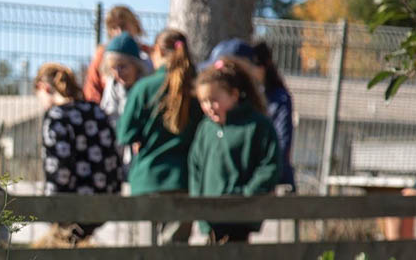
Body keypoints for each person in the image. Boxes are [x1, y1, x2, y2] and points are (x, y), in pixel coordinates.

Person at [116, 29, 202, 244]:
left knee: (144, 257)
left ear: (158, 52)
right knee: (175, 255)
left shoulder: (144, 88)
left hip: (148, 179)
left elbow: (125, 133)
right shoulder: (198, 90)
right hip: (184, 180)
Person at [189, 57, 280, 243]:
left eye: (214, 100)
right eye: (203, 102)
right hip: (210, 217)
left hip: (241, 217)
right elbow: (195, 168)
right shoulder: (206, 129)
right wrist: (199, 206)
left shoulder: (257, 125)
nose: (208, 107)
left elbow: (269, 166)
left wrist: (246, 196)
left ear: (234, 95)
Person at [35, 62, 121, 243]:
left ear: (43, 87)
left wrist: (50, 207)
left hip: (69, 207)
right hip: (101, 203)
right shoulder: (96, 111)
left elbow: (59, 167)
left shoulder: (56, 116)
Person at [251, 41, 295, 190]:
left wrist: (270, 171)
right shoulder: (244, 97)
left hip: (276, 173)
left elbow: (283, 139)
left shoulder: (279, 97)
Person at [84, 5, 148, 103]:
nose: (119, 31)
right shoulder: (103, 54)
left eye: (123, 26)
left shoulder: (147, 53)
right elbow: (93, 86)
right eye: (113, 28)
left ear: (135, 24)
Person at [98, 31, 149, 129]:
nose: (118, 73)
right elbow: (109, 116)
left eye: (122, 67)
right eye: (113, 68)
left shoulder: (146, 87)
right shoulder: (113, 85)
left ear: (136, 65)